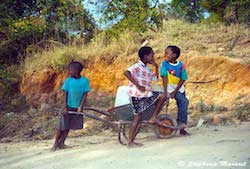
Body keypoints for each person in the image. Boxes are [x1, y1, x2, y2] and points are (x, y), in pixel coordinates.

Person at [124, 46, 166, 147]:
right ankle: (130, 142)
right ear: (145, 56)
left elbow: (155, 79)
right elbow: (126, 72)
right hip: (136, 95)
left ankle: (153, 118)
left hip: (144, 95)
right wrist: (138, 85)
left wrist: (156, 66)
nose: (153, 57)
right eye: (152, 55)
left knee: (162, 96)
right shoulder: (137, 66)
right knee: (137, 117)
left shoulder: (147, 68)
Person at [51, 61, 91, 151]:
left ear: (77, 70)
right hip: (67, 106)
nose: (70, 72)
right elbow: (65, 94)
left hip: (77, 107)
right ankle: (55, 143)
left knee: (68, 126)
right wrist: (64, 107)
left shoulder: (84, 81)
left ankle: (62, 143)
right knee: (61, 126)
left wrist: (80, 106)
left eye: (71, 70)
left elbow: (85, 94)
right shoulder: (68, 81)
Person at [160, 45, 190, 136]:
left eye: (167, 53)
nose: (165, 55)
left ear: (174, 55)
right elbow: (164, 76)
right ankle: (155, 120)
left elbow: (183, 78)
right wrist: (166, 92)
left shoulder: (181, 65)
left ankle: (181, 125)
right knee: (159, 103)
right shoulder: (164, 64)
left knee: (184, 102)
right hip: (167, 88)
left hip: (178, 89)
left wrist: (175, 92)